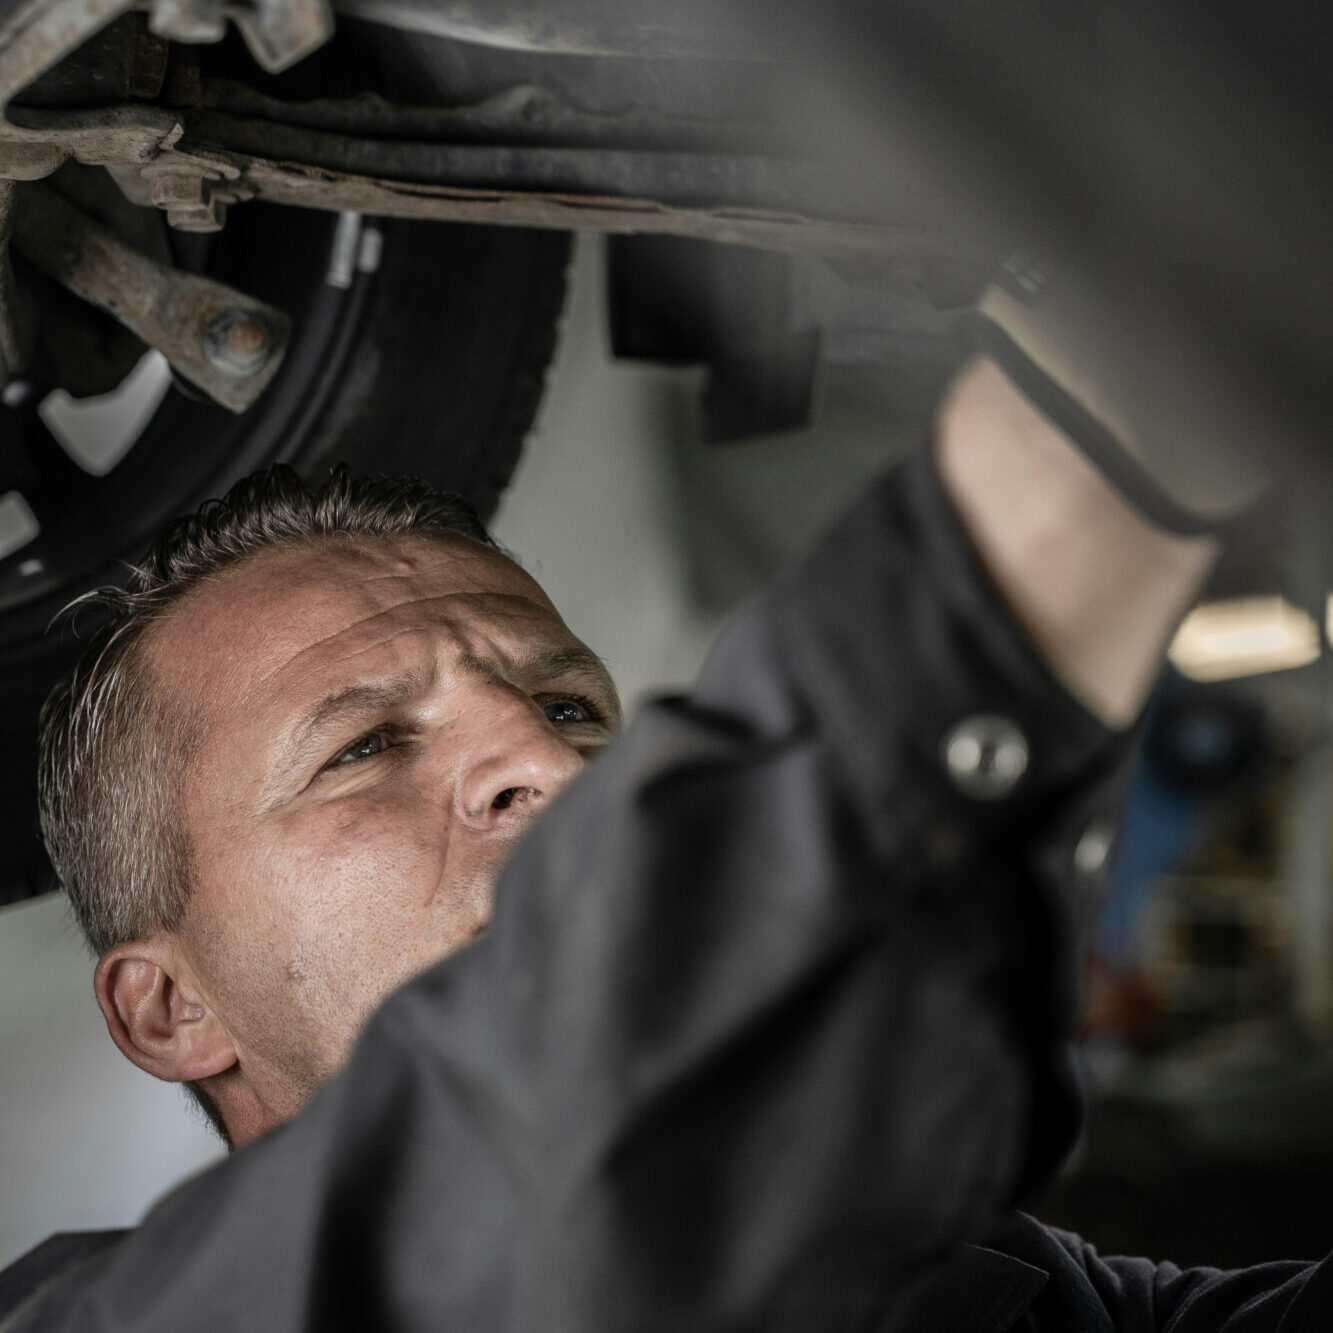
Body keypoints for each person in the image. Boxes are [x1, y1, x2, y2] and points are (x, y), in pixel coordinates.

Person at [4, 342, 1326, 1330]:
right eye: (361, 747)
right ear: (171, 1005)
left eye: (572, 703)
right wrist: (1091, 449)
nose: (543, 757)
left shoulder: (1009, 1302)